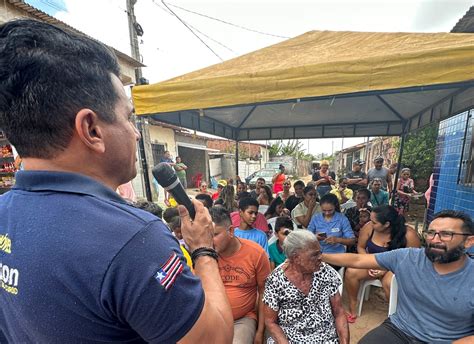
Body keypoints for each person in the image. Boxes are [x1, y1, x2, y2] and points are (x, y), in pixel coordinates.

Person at [0, 19, 232, 342]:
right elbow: (215, 338)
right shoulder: (135, 241)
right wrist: (204, 250)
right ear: (92, 130)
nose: (136, 132)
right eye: (129, 117)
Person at [322, 210, 474, 343]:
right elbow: (358, 259)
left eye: (446, 234)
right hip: (401, 330)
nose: (435, 240)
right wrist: (319, 256)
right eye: (431, 233)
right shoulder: (408, 257)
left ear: (468, 241)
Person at [263, 231, 349, 343]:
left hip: (326, 337)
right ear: (296, 258)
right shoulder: (275, 280)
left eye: (320, 253)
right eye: (314, 255)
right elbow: (270, 322)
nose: (320, 258)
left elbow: (339, 312)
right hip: (290, 338)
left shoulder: (325, 272)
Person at [343, 206, 421, 323]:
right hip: (372, 262)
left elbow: (413, 259)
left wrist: (386, 269)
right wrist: (369, 264)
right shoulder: (369, 227)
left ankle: (398, 315)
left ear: (386, 224)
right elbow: (360, 247)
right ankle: (353, 305)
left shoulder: (409, 234)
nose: (369, 223)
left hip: (396, 267)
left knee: (389, 283)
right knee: (351, 272)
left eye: (374, 222)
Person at [210, 207, 271, 344]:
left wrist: (260, 331)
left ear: (231, 231)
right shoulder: (205, 255)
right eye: (206, 235)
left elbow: (264, 293)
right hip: (210, 319)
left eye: (214, 234)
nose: (210, 240)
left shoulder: (256, 253)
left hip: (242, 319)